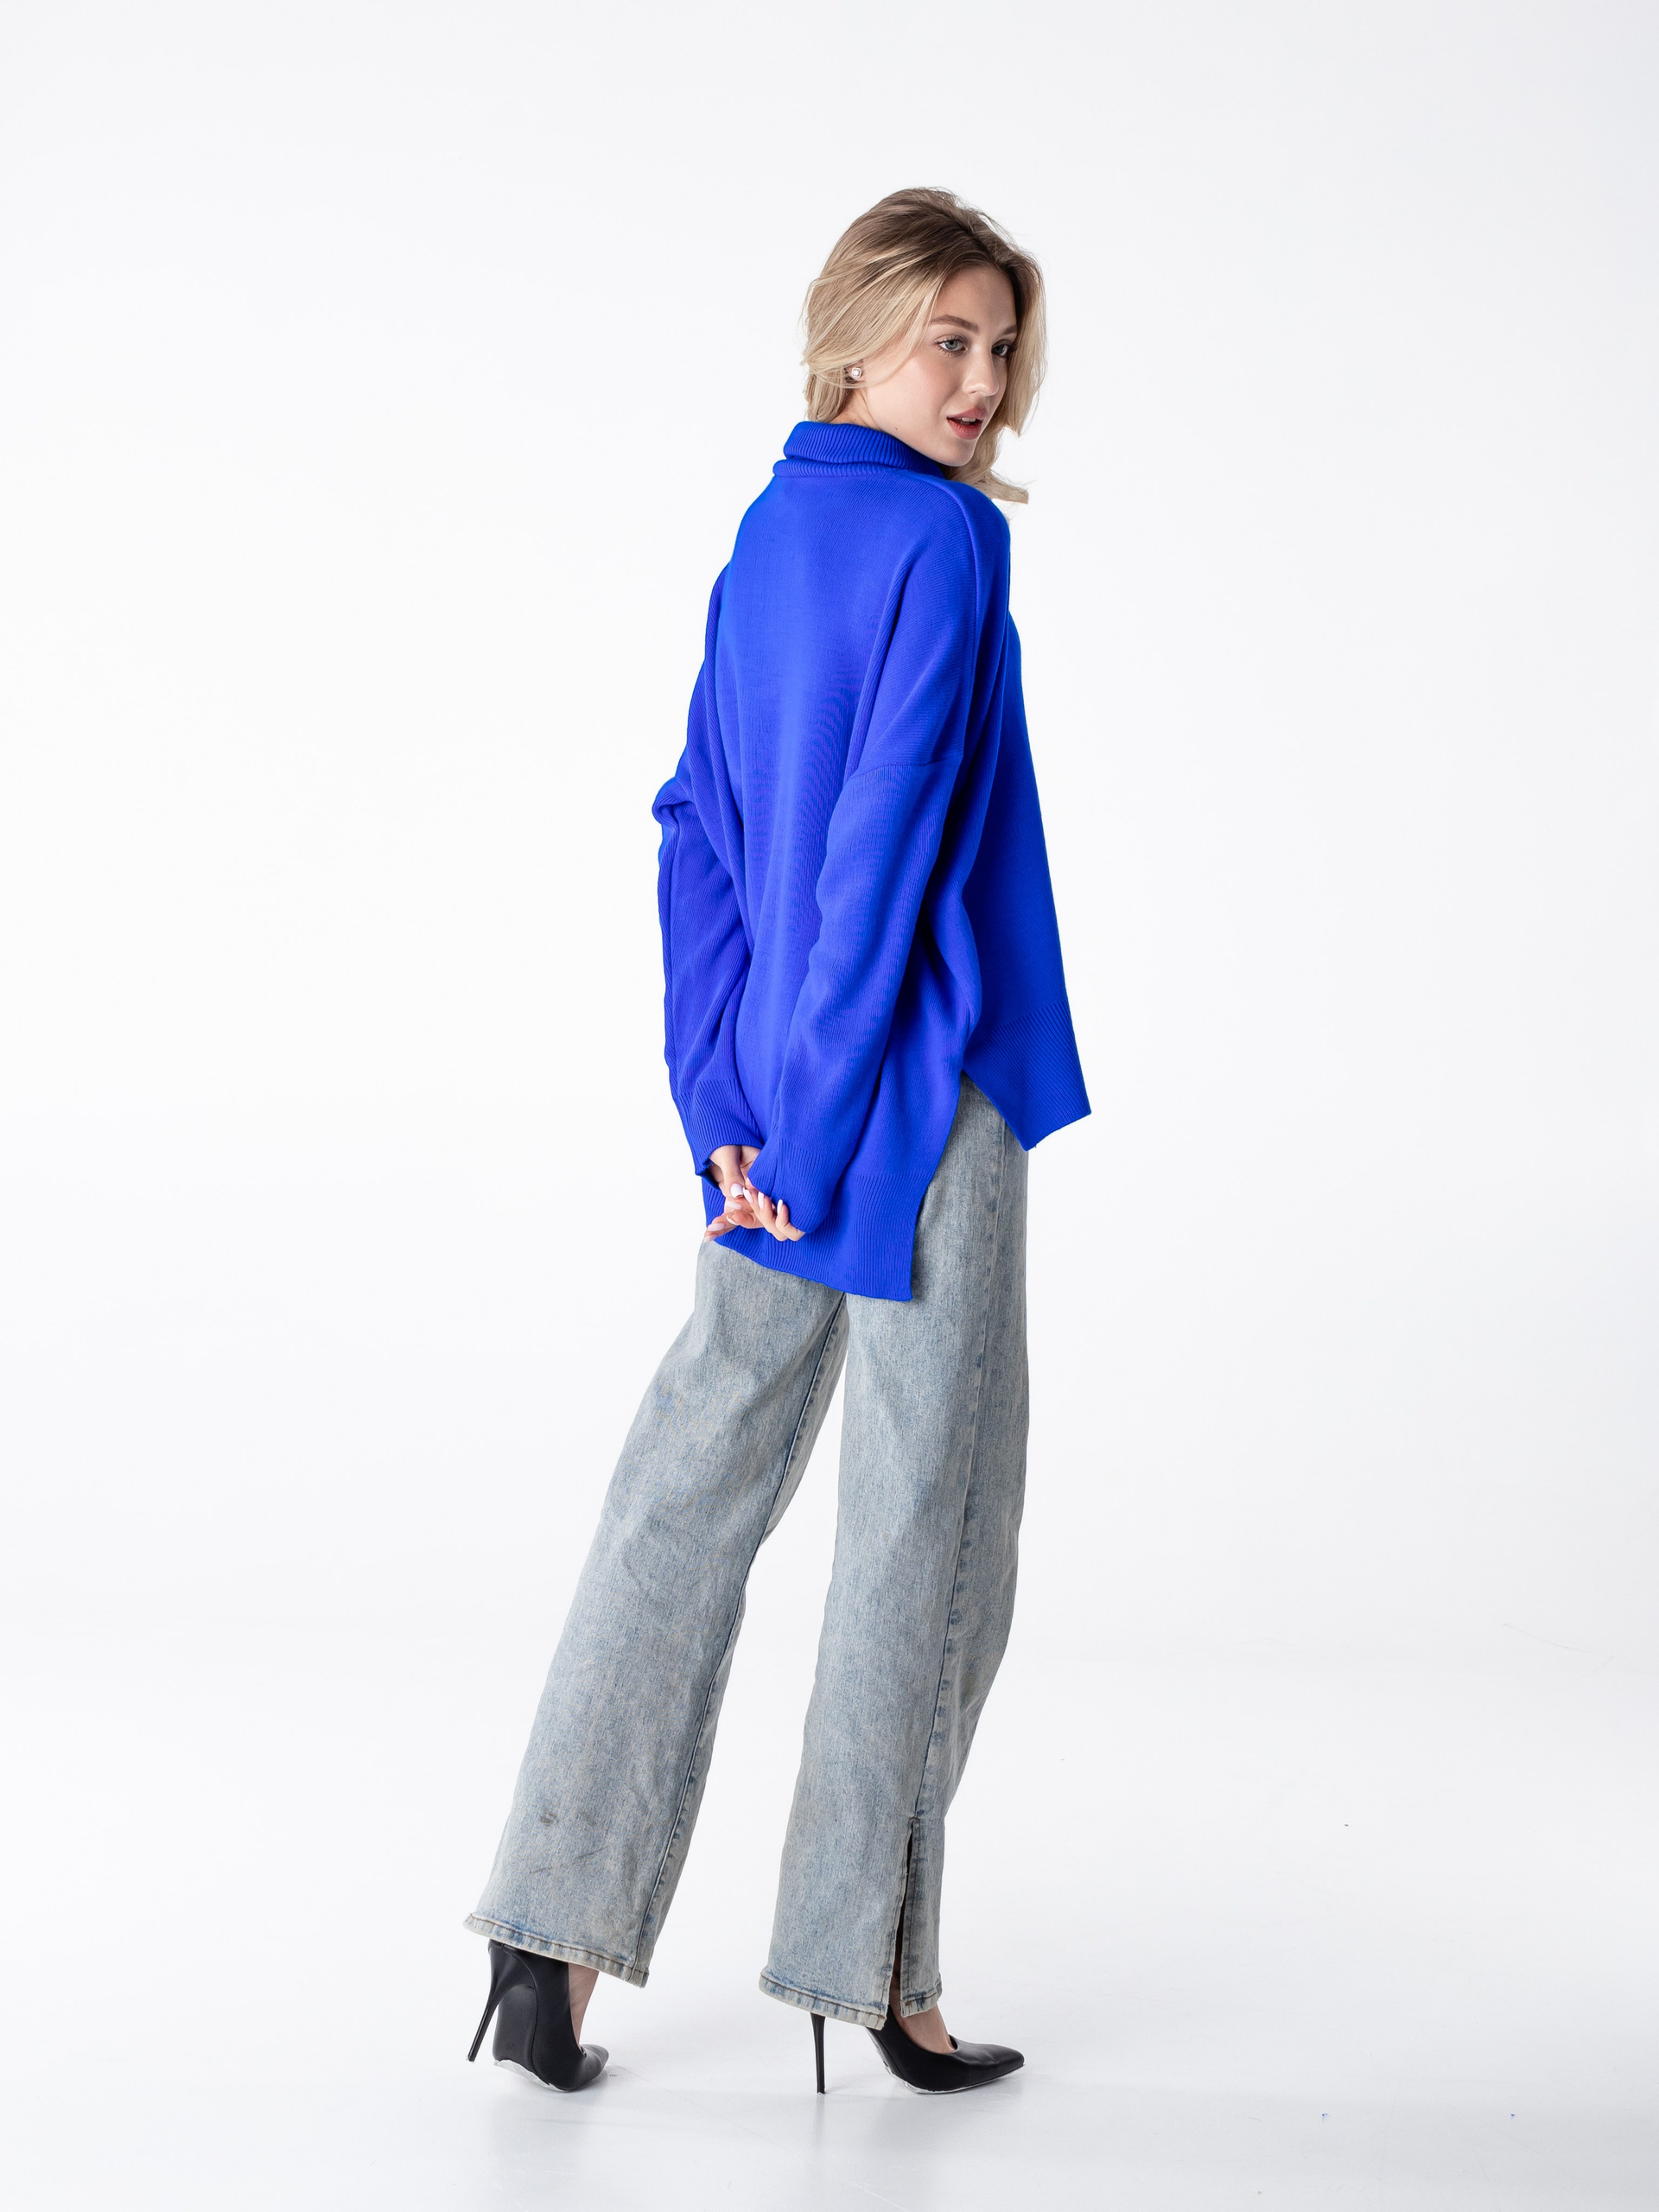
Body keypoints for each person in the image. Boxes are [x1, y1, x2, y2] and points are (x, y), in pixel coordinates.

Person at [463, 187, 1089, 2099]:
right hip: (916, 1097)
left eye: (999, 347)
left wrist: (723, 1106)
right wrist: (807, 1127)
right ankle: (868, 1971)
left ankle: (546, 1935)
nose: (979, 383)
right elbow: (881, 851)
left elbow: (698, 830)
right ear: (856, 341)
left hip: (776, 1110)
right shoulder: (950, 544)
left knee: (688, 1486)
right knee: (929, 1526)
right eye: (947, 341)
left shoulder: (768, 530)